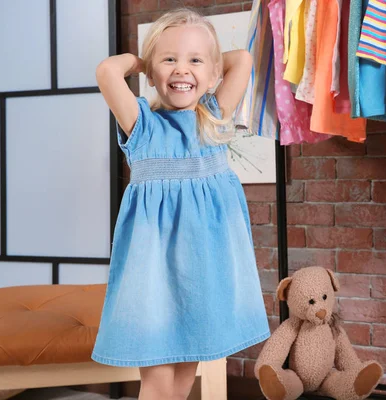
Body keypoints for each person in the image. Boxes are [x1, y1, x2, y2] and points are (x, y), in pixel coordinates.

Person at [91, 8, 270, 400]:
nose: (180, 70)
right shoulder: (142, 126)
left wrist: (207, 64)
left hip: (202, 270)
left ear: (210, 73)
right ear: (152, 72)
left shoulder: (212, 117)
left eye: (193, 61)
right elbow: (107, 71)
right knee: (156, 380)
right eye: (169, 59)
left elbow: (240, 59)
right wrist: (144, 62)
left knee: (186, 375)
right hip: (152, 272)